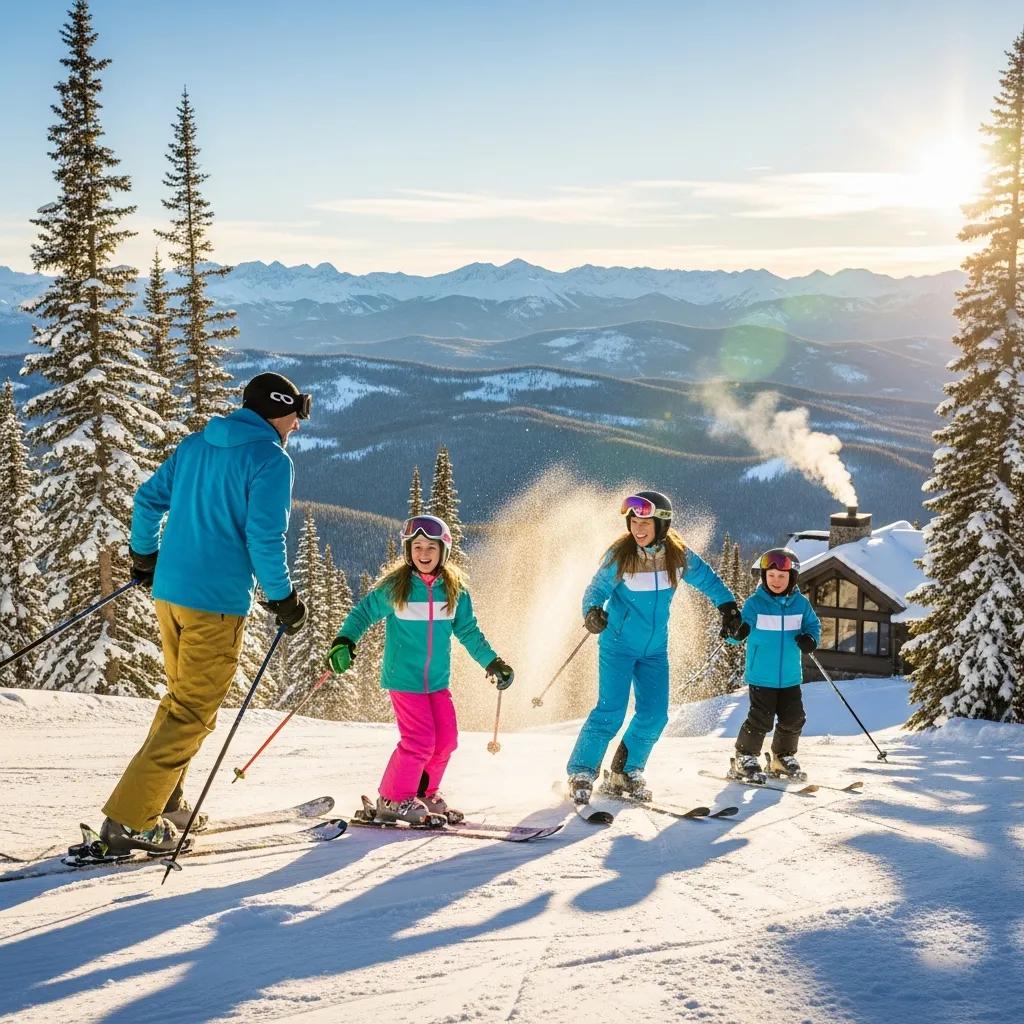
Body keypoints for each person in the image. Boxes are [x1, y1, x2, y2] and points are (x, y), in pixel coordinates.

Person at [99, 372, 311, 855]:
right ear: (278, 409)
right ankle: (130, 820)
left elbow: (148, 499)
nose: (298, 424)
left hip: (170, 595)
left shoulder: (195, 445)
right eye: (297, 412)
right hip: (214, 605)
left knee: (179, 700)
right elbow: (264, 538)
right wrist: (283, 598)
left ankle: (165, 800)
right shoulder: (269, 460)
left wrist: (144, 557)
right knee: (193, 712)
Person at [327, 514, 513, 825]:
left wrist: (492, 662)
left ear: (444, 551)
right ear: (408, 551)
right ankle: (392, 798)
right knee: (419, 741)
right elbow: (363, 613)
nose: (423, 554)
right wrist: (345, 641)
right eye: (417, 547)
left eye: (430, 547)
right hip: (404, 679)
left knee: (446, 740)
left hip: (436, 681)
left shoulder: (454, 591)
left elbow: (468, 631)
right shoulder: (397, 587)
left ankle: (424, 792)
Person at [566, 491, 742, 805]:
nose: (638, 528)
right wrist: (592, 611)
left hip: (654, 651)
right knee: (611, 711)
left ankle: (625, 771)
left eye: (645, 521)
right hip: (617, 646)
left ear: (661, 523)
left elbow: (708, 580)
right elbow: (597, 588)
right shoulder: (620, 555)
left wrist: (727, 607)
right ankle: (582, 771)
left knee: (655, 714)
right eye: (633, 521)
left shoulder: (678, 555)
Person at [728, 547, 821, 782]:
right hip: (762, 675)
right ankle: (745, 757)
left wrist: (810, 639)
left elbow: (814, 626)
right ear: (763, 577)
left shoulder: (801, 605)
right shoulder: (755, 604)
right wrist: (737, 632)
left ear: (792, 578)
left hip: (790, 676)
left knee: (794, 717)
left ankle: (782, 757)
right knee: (761, 718)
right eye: (771, 576)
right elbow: (740, 628)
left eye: (782, 576)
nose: (776, 581)